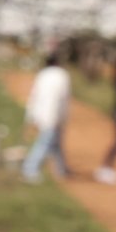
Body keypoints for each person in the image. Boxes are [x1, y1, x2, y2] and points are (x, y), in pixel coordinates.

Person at [22, 54, 71, 183]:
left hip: (42, 114)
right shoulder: (62, 75)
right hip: (53, 115)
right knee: (45, 142)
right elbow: (63, 98)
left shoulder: (42, 75)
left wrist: (31, 116)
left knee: (56, 143)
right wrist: (62, 117)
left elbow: (34, 96)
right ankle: (30, 169)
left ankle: (62, 169)